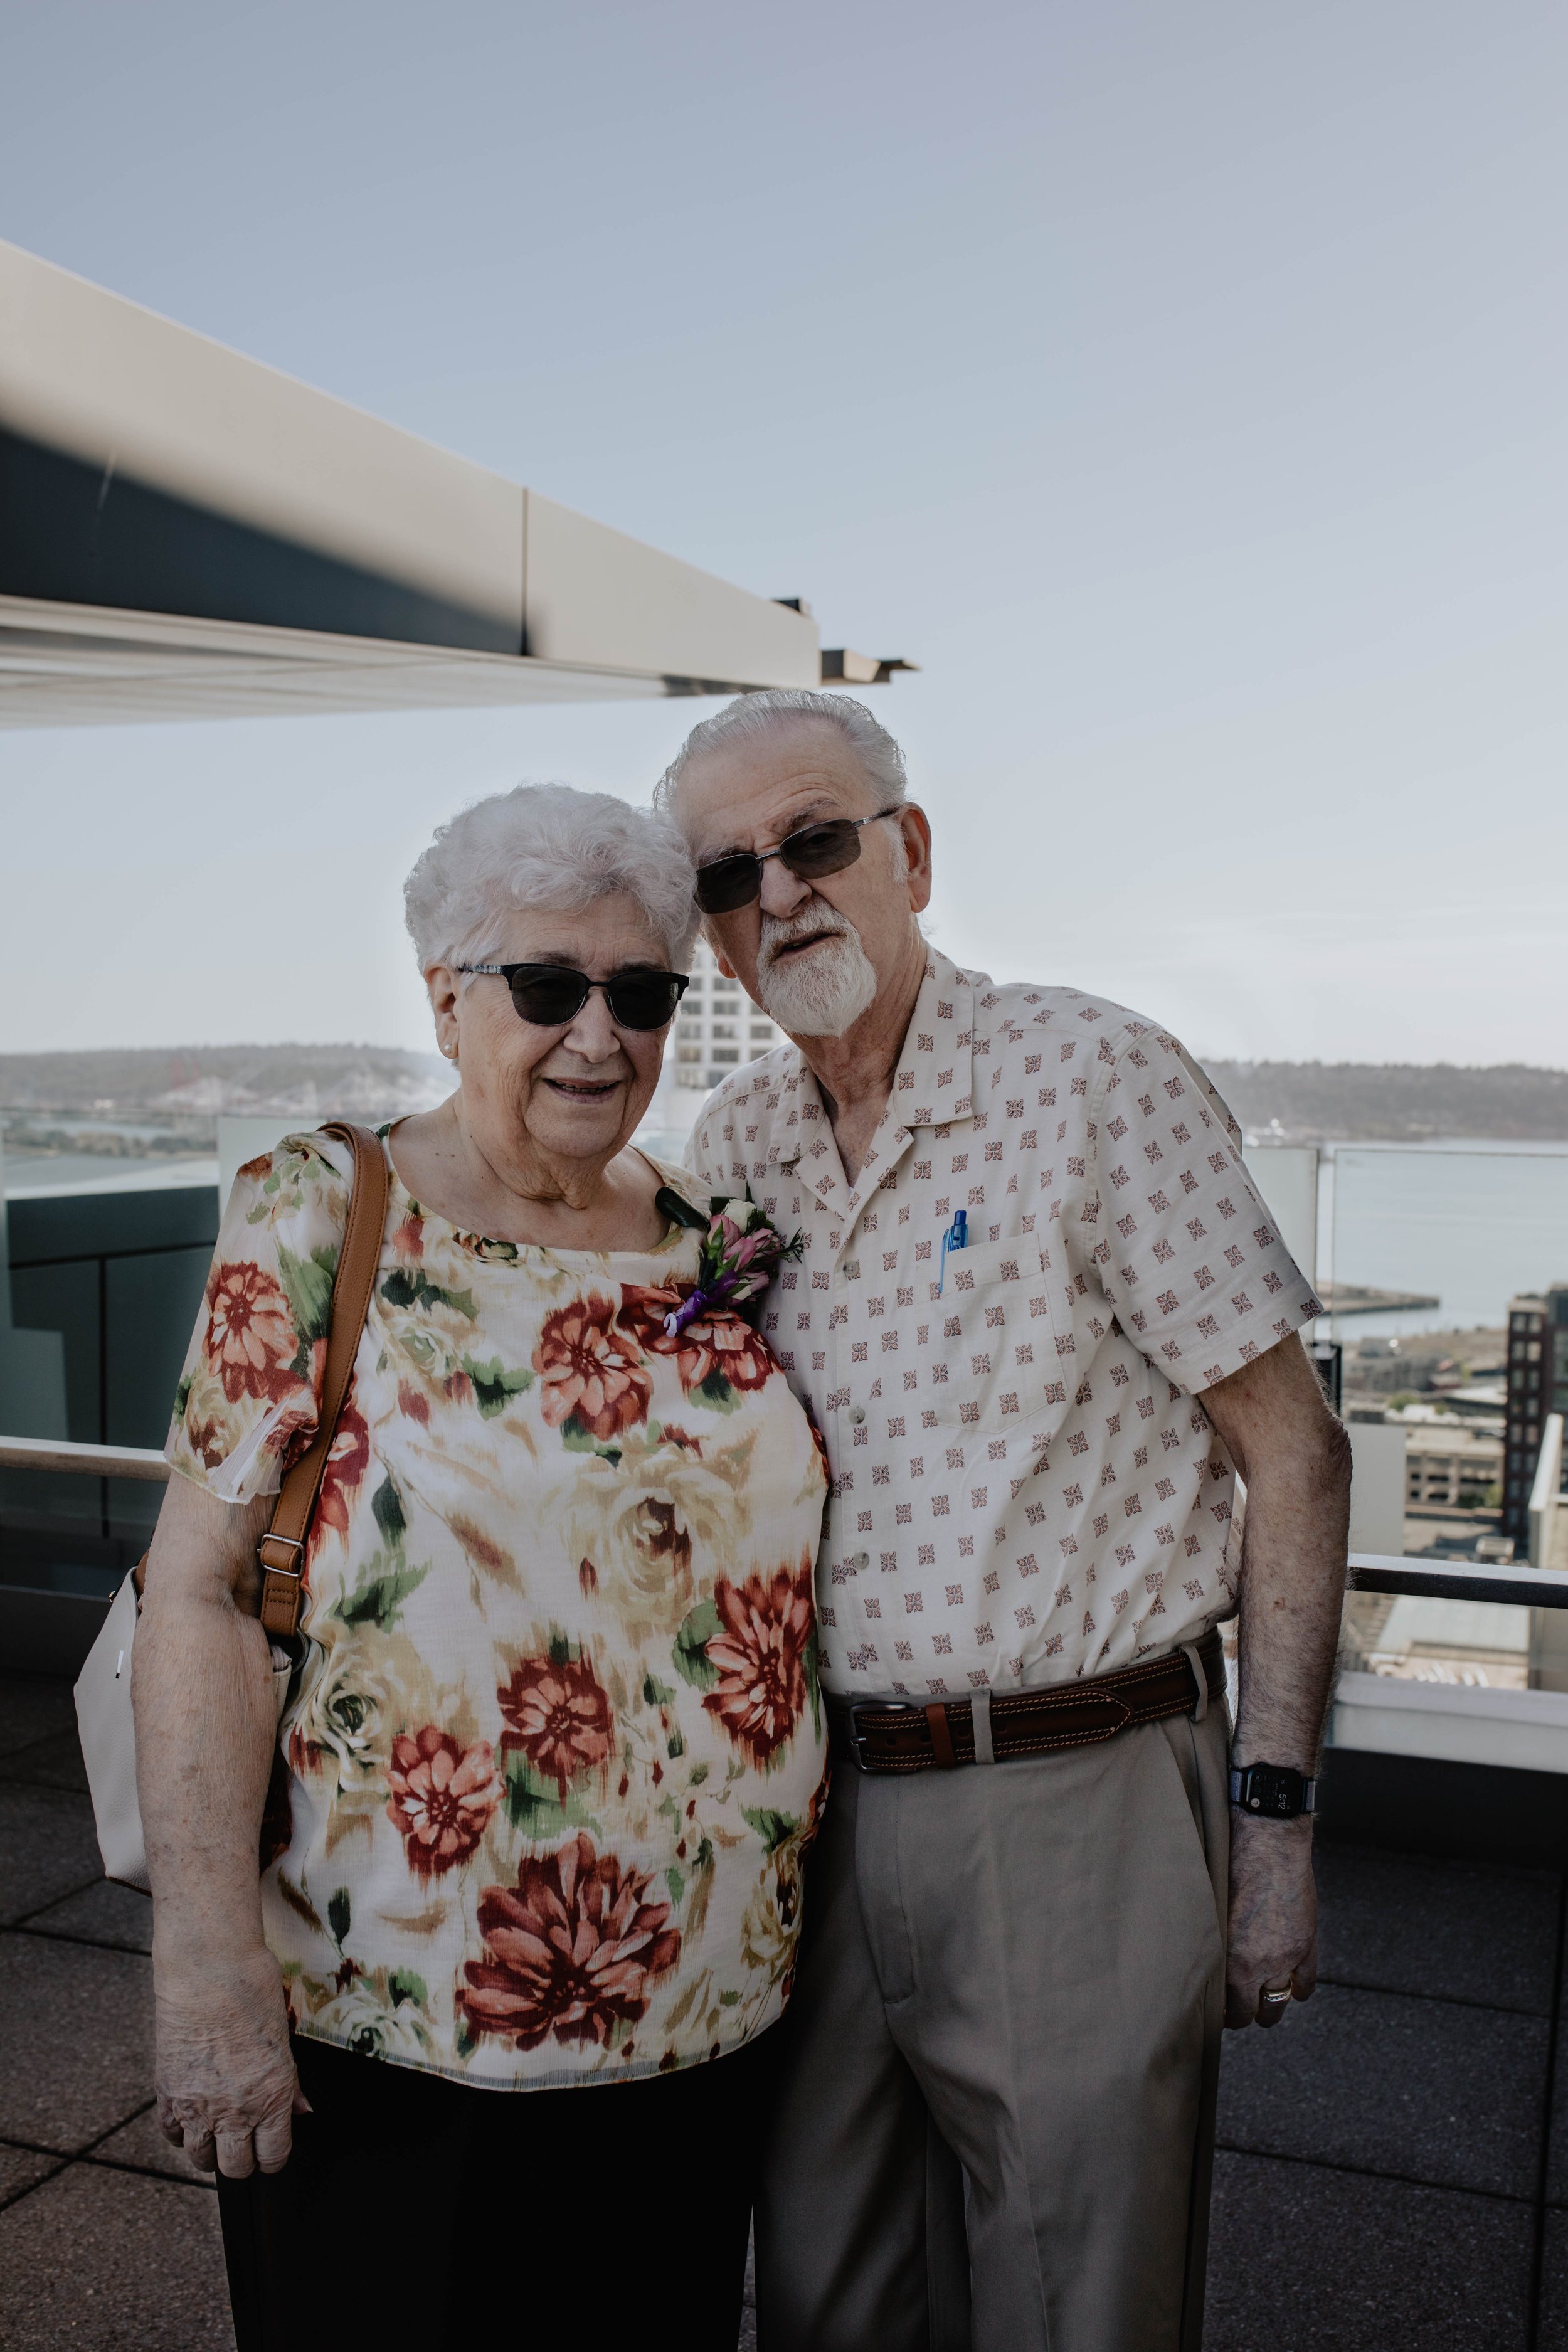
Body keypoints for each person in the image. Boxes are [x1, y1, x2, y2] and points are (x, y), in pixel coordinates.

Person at [657, 691, 1352, 2352]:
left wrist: (1271, 1832)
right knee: (831, 2292)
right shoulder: (733, 1145)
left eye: (815, 839)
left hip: (1077, 1796)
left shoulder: (1091, 1074)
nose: (781, 893)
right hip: (819, 1816)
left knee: (1074, 2301)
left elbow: (1296, 1456)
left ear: (906, 853)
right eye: (728, 872)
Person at [134, 783, 828, 2352]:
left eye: (642, 994)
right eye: (546, 987)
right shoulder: (321, 1211)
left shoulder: (713, 1243)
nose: (599, 1035)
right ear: (446, 999)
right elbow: (197, 1593)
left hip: (705, 2009)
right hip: (395, 2019)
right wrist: (204, 1966)